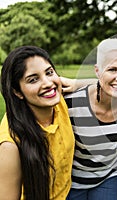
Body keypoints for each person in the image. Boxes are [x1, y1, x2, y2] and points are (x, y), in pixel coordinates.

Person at [64, 38, 117, 200]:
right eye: (112, 69)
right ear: (97, 71)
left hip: (109, 176)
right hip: (72, 181)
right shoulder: (71, 104)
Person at [0, 46, 75, 200]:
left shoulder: (59, 100)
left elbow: (105, 85)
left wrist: (75, 83)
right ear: (17, 92)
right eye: (33, 79)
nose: (48, 83)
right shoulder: (10, 146)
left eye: (49, 72)